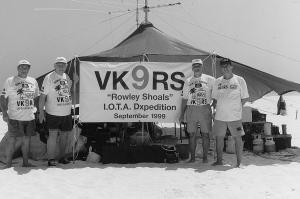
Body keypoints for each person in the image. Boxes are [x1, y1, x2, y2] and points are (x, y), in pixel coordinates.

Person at [0, 60, 39, 168]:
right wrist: (4, 113)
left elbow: (36, 96)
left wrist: (36, 109)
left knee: (27, 141)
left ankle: (25, 163)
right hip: (14, 117)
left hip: (29, 117)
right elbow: (2, 98)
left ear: (29, 69)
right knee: (12, 141)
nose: (23, 69)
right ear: (17, 68)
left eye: (26, 67)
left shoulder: (33, 81)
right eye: (21, 67)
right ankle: (8, 164)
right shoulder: (10, 80)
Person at [211, 58, 249, 167]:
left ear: (232, 67)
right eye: (223, 66)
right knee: (219, 138)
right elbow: (215, 99)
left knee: (238, 138)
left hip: (235, 117)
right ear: (220, 69)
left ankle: (239, 162)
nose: (225, 68)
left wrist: (237, 107)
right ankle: (219, 161)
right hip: (220, 116)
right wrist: (214, 109)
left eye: (227, 66)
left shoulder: (240, 80)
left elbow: (245, 98)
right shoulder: (217, 81)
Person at [38, 57, 73, 166]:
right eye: (59, 64)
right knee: (52, 135)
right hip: (53, 113)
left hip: (66, 112)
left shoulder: (66, 76)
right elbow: (42, 97)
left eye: (63, 64)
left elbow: (69, 92)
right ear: (54, 65)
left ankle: (62, 157)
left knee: (65, 136)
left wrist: (74, 82)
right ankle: (51, 159)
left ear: (66, 66)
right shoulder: (49, 77)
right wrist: (41, 112)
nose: (61, 66)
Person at [179, 59, 215, 163]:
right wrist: (182, 114)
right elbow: (185, 99)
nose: (197, 67)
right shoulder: (188, 81)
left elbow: (217, 92)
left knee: (205, 134)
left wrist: (215, 103)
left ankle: (205, 158)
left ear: (202, 66)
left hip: (205, 108)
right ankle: (193, 158)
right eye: (195, 65)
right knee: (192, 134)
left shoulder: (210, 79)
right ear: (192, 68)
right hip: (191, 109)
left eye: (198, 65)